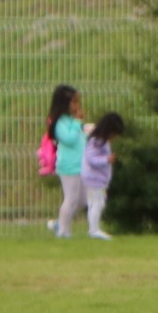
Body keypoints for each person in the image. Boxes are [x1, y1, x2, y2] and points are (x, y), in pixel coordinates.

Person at [48, 85, 89, 240]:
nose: (77, 106)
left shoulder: (71, 121)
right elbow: (70, 139)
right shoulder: (59, 123)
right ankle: (63, 232)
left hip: (80, 165)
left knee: (83, 200)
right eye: (74, 102)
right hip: (69, 167)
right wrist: (78, 123)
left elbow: (80, 139)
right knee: (70, 199)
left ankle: (60, 222)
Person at [79, 111, 122, 239]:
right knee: (97, 203)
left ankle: (94, 228)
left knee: (96, 203)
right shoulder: (97, 141)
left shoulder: (101, 140)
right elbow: (91, 158)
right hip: (94, 178)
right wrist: (106, 159)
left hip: (97, 178)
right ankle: (94, 230)